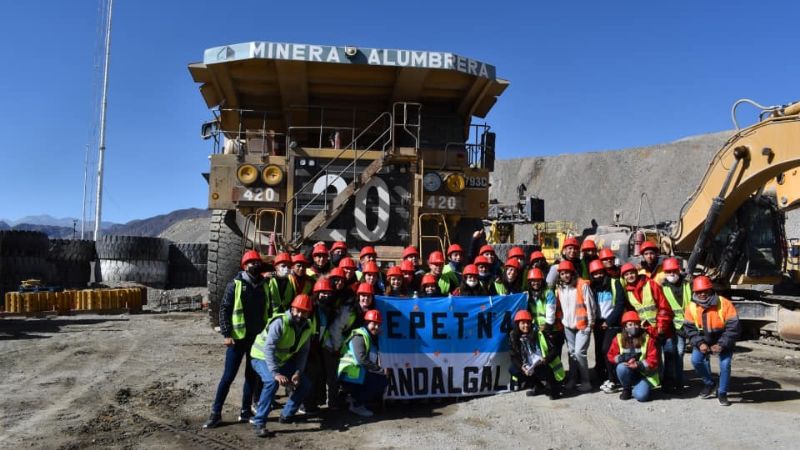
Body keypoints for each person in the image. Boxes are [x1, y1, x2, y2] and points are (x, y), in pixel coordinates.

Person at [204, 250, 271, 429]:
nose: (255, 265)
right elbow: (224, 309)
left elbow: (269, 310)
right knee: (228, 377)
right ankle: (215, 413)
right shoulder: (235, 285)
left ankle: (245, 411)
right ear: (244, 266)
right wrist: (226, 334)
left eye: (257, 262)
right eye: (251, 263)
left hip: (256, 340)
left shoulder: (265, 285)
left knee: (252, 376)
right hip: (237, 339)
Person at [250, 294, 316, 437]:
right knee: (271, 382)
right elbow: (268, 349)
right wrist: (276, 373)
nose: (299, 314)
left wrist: (297, 372)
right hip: (260, 356)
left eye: (304, 312)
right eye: (297, 310)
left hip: (280, 361)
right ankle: (259, 422)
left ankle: (287, 415)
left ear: (308, 313)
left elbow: (303, 353)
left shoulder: (308, 326)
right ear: (292, 309)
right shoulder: (280, 322)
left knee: (305, 384)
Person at [684, 275, 740, 406]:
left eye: (705, 291)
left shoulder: (724, 303)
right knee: (696, 360)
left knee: (725, 364)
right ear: (694, 292)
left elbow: (733, 328)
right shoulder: (691, 307)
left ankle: (722, 392)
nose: (702, 294)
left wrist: (721, 344)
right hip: (704, 339)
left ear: (711, 289)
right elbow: (690, 329)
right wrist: (700, 343)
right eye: (699, 292)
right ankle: (709, 383)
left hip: (723, 338)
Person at [554, 260, 596, 392]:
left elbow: (591, 305)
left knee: (579, 353)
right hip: (568, 326)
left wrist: (590, 323)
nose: (565, 275)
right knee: (571, 353)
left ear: (573, 273)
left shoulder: (582, 285)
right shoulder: (560, 288)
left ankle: (586, 381)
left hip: (583, 325)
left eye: (568, 273)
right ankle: (572, 380)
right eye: (562, 273)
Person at [338, 309, 389, 417]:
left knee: (379, 379)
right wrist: (381, 370)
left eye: (378, 324)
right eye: (373, 324)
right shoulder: (359, 336)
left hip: (356, 373)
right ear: (366, 323)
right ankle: (357, 405)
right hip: (350, 374)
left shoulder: (369, 336)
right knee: (381, 381)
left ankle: (352, 398)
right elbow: (361, 359)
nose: (376, 327)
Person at [587, 259, 625, 394]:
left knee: (607, 350)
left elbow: (620, 304)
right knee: (599, 350)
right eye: (595, 274)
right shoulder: (592, 287)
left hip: (612, 323)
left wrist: (608, 322)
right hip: (598, 323)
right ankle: (603, 377)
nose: (598, 276)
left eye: (600, 273)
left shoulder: (614, 283)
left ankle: (613, 379)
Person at [508, 310, 564, 400]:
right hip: (530, 366)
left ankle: (555, 388)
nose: (526, 325)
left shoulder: (540, 333)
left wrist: (545, 360)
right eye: (523, 323)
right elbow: (513, 356)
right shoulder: (513, 336)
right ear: (517, 324)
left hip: (546, 364)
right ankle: (539, 387)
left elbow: (554, 350)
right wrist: (522, 367)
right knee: (513, 369)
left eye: (528, 323)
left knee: (543, 372)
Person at [607, 311, 660, 402]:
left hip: (645, 375)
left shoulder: (647, 338)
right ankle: (627, 388)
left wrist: (638, 364)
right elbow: (611, 355)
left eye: (636, 324)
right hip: (629, 371)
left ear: (639, 325)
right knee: (621, 368)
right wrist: (621, 359)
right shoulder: (618, 338)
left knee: (641, 397)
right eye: (630, 324)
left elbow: (653, 359)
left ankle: (639, 387)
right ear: (625, 327)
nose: (633, 327)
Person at [303, 278, 338, 414]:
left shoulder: (328, 309)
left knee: (318, 374)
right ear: (316, 293)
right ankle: (305, 404)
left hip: (318, 345)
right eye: (322, 293)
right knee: (310, 375)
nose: (325, 295)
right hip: (307, 345)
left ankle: (314, 402)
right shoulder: (311, 307)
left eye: (328, 293)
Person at [659, 257, 691, 393]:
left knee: (687, 355)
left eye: (674, 271)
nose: (671, 274)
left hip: (690, 325)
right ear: (664, 273)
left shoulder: (688, 284)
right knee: (676, 353)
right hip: (672, 327)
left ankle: (678, 382)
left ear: (679, 270)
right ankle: (676, 383)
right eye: (668, 271)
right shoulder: (663, 287)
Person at [620, 262, 673, 340]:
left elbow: (663, 306)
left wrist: (661, 325)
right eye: (626, 274)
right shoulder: (627, 292)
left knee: (669, 351)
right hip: (645, 331)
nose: (630, 276)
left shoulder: (650, 284)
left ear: (636, 272)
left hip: (662, 329)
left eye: (632, 273)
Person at [328, 283, 375, 355]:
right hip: (332, 346)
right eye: (363, 296)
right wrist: (337, 348)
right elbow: (336, 328)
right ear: (359, 296)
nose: (366, 298)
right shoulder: (349, 309)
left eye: (369, 296)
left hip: (349, 348)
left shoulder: (370, 313)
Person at [526, 267, 563, 360]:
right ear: (529, 282)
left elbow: (551, 312)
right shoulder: (528, 295)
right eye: (533, 281)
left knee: (553, 357)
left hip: (550, 330)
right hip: (537, 330)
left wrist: (547, 327)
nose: (536, 283)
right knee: (541, 357)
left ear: (542, 281)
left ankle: (559, 375)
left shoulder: (548, 293)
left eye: (538, 280)